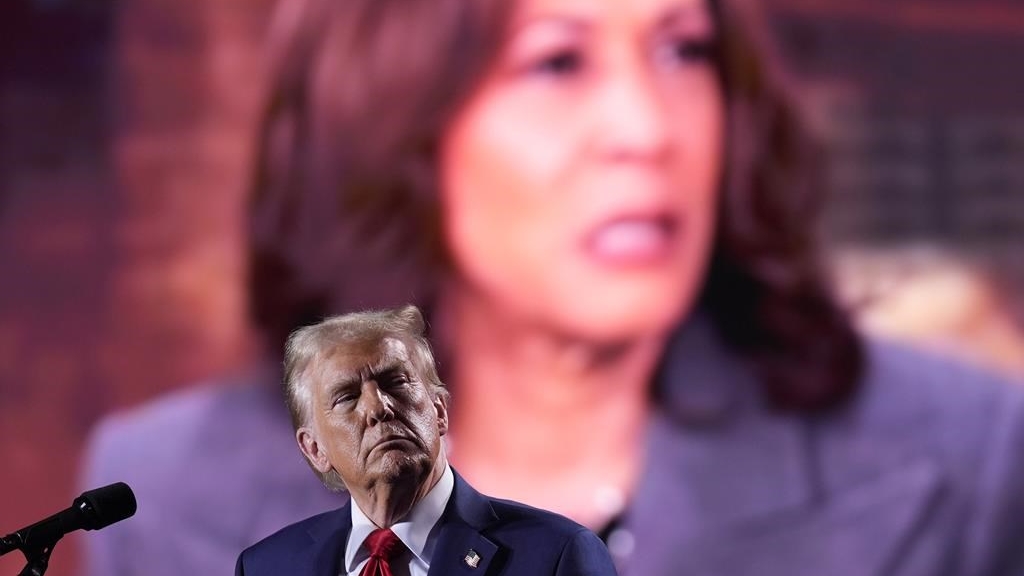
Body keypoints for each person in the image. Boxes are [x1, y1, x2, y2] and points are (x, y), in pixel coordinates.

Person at [84, 0, 1024, 574]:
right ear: (393, 123)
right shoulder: (168, 498)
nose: (644, 128)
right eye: (557, 61)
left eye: (681, 51)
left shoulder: (970, 457)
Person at [235, 305, 617, 575]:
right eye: (347, 396)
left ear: (439, 411)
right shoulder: (267, 567)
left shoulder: (556, 555)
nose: (378, 407)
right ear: (314, 449)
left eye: (395, 383)